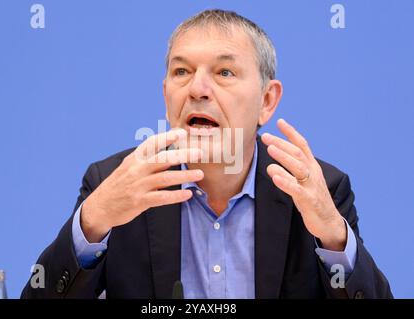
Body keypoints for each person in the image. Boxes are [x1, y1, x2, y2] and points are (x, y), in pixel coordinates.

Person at [21, 9, 392, 299]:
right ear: (166, 94)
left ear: (267, 101)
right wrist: (93, 221)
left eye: (224, 72)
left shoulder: (319, 189)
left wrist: (332, 234)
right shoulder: (112, 183)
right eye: (181, 71)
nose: (197, 88)